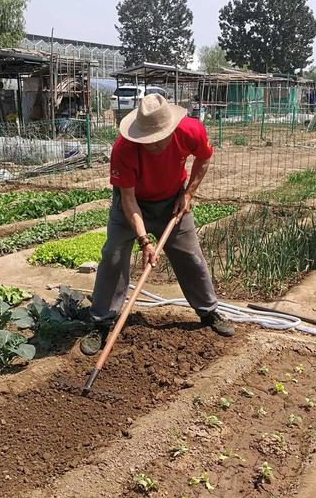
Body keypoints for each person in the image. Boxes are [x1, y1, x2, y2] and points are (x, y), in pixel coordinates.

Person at [80, 93, 235, 356]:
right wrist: (144, 240)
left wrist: (188, 194)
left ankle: (209, 312)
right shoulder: (124, 148)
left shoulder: (190, 130)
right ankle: (101, 322)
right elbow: (128, 201)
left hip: (172, 200)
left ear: (171, 128)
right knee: (113, 256)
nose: (152, 145)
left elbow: (204, 158)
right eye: (147, 141)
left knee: (190, 256)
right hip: (132, 205)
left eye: (157, 139)